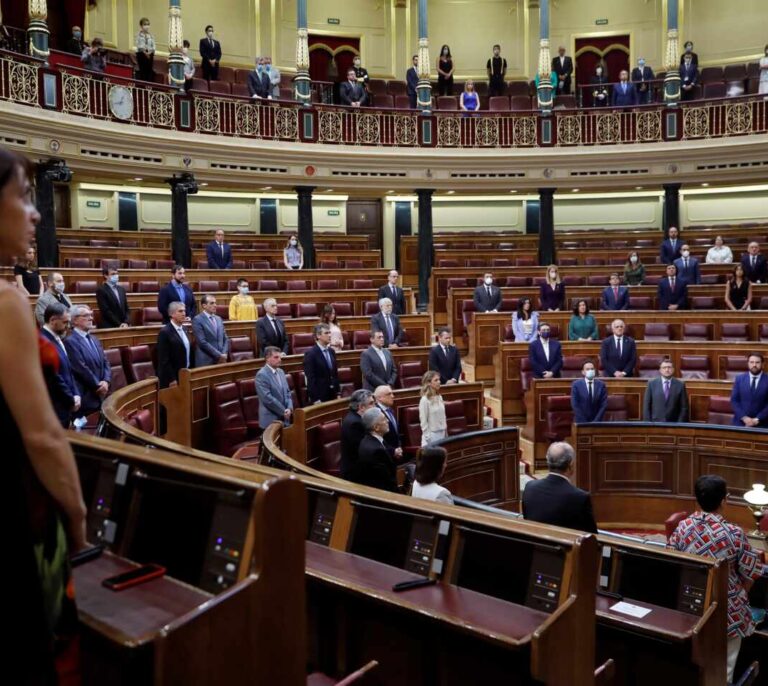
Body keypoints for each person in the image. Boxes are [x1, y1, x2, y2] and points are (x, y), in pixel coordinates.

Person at [0, 147, 86, 684]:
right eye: (24, 196)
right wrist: (78, 518)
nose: (35, 213)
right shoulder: (5, 301)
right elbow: (43, 436)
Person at [669, 475, 764, 683]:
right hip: (727, 613)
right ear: (724, 500)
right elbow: (752, 572)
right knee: (724, 672)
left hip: (690, 607)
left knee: (694, 668)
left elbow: (672, 562)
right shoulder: (734, 533)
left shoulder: (683, 527)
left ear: (697, 499)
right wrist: (737, 595)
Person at [522, 442, 597, 533]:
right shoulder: (580, 497)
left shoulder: (530, 487)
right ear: (571, 464)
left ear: (547, 461)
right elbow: (592, 534)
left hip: (535, 540)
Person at [64, 305, 111, 418]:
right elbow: (81, 368)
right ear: (74, 320)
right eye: (86, 315)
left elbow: (105, 362)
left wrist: (106, 381)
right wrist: (98, 386)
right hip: (88, 398)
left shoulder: (94, 339)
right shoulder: (70, 341)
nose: (91, 318)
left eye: (91, 315)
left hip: (101, 395)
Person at [41, 303, 81, 427]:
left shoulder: (57, 338)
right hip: (56, 408)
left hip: (66, 404)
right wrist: (71, 400)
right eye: (65, 322)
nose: (68, 326)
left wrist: (76, 394)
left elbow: (68, 370)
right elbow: (55, 377)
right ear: (53, 320)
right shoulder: (43, 342)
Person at [353, 407, 398, 492]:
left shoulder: (368, 440)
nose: (387, 421)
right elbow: (387, 480)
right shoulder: (376, 451)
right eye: (384, 419)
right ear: (376, 427)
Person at [255, 346, 293, 429]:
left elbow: (287, 392)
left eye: (280, 357)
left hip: (285, 418)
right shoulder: (261, 375)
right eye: (276, 357)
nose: (279, 360)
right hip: (270, 421)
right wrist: (283, 411)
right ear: (267, 358)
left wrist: (289, 408)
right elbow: (267, 399)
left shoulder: (281, 372)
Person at [156, 301, 193, 388]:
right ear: (171, 314)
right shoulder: (165, 332)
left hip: (185, 374)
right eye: (180, 311)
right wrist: (171, 379)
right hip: (172, 378)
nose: (184, 313)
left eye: (184, 311)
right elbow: (164, 359)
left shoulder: (185, 329)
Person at [340, 389, 375, 480]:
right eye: (371, 403)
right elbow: (363, 449)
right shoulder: (355, 423)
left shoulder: (357, 418)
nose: (375, 406)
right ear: (361, 407)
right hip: (356, 473)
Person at [642, 357, 689, 423]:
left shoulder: (680, 385)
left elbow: (684, 407)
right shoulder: (651, 384)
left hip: (674, 424)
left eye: (669, 367)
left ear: (673, 369)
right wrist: (648, 424)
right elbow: (646, 406)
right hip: (655, 424)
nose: (667, 370)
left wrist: (679, 424)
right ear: (660, 370)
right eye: (664, 368)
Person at [303, 323, 340, 404]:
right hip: (320, 397)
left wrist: (338, 393)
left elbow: (335, 374)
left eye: (330, 332)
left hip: (333, 394)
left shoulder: (331, 351)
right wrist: (315, 399)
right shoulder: (311, 354)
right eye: (326, 333)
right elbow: (310, 379)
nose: (329, 335)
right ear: (318, 336)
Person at [730, 352, 768, 427]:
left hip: (762, 424)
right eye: (752, 362)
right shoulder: (739, 379)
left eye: (757, 362)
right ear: (748, 363)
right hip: (740, 423)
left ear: (763, 364)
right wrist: (744, 418)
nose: (754, 365)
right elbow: (734, 401)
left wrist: (757, 419)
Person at [192, 294, 229, 367]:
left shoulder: (219, 319)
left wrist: (224, 353)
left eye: (215, 303)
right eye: (212, 303)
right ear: (204, 306)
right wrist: (219, 355)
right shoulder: (197, 319)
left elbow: (225, 338)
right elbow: (202, 342)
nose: (215, 305)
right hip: (206, 360)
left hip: (221, 360)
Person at [571, 360, 607, 424]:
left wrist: (596, 421)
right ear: (583, 372)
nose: (590, 371)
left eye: (592, 369)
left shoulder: (601, 385)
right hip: (581, 422)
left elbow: (603, 405)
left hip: (597, 422)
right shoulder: (576, 385)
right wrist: (584, 422)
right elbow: (575, 404)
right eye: (587, 369)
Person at [374, 385, 403, 460]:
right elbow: (378, 438)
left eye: (392, 393)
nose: (393, 396)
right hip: (385, 456)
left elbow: (396, 433)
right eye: (389, 394)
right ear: (379, 398)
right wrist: (393, 451)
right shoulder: (376, 413)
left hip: (396, 453)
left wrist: (398, 448)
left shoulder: (390, 410)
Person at [419, 370, 447, 447]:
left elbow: (443, 416)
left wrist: (445, 432)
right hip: (431, 436)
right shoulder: (424, 400)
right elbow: (423, 422)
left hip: (442, 434)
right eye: (436, 380)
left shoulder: (440, 397)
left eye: (439, 380)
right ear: (428, 383)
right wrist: (429, 438)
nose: (439, 382)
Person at [135, 17, 155, 82]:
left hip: (150, 54)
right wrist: (145, 53)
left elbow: (153, 46)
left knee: (149, 71)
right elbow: (139, 46)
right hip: (141, 54)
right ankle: (142, 84)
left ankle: (149, 85)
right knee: (143, 71)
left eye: (148, 24)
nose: (147, 26)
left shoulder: (151, 35)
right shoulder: (138, 35)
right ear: (141, 26)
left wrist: (150, 52)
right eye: (145, 24)